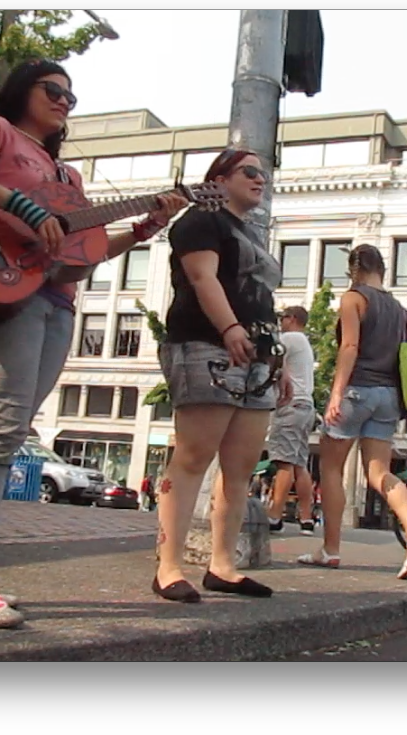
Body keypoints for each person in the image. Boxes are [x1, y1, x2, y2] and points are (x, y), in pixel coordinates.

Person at [0, 58, 188, 628]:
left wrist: (145, 228)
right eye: (54, 90)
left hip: (53, 302)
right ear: (23, 90)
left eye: (72, 96)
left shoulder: (68, 180)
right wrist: (18, 204)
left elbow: (78, 261)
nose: (65, 101)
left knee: (9, 430)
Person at [152, 148, 286, 603]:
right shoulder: (200, 221)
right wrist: (229, 328)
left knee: (241, 466)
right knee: (193, 455)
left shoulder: (247, 232)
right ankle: (168, 567)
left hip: (254, 356)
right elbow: (201, 277)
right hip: (205, 345)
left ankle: (222, 564)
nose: (259, 180)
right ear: (220, 178)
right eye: (250, 171)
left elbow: (261, 298)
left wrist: (274, 358)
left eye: (263, 174)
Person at [299, 245, 407, 579]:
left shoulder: (353, 299)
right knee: (379, 473)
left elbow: (350, 347)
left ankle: (330, 549)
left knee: (331, 468)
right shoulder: (399, 309)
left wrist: (336, 393)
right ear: (383, 269)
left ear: (353, 270)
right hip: (389, 395)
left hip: (357, 390)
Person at [264, 306, 319, 534]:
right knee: (299, 463)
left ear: (293, 319)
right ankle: (306, 518)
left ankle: (275, 516)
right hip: (306, 406)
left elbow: (268, 356)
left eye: (283, 317)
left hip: (290, 405)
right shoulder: (304, 343)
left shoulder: (289, 339)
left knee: (284, 462)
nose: (280, 322)